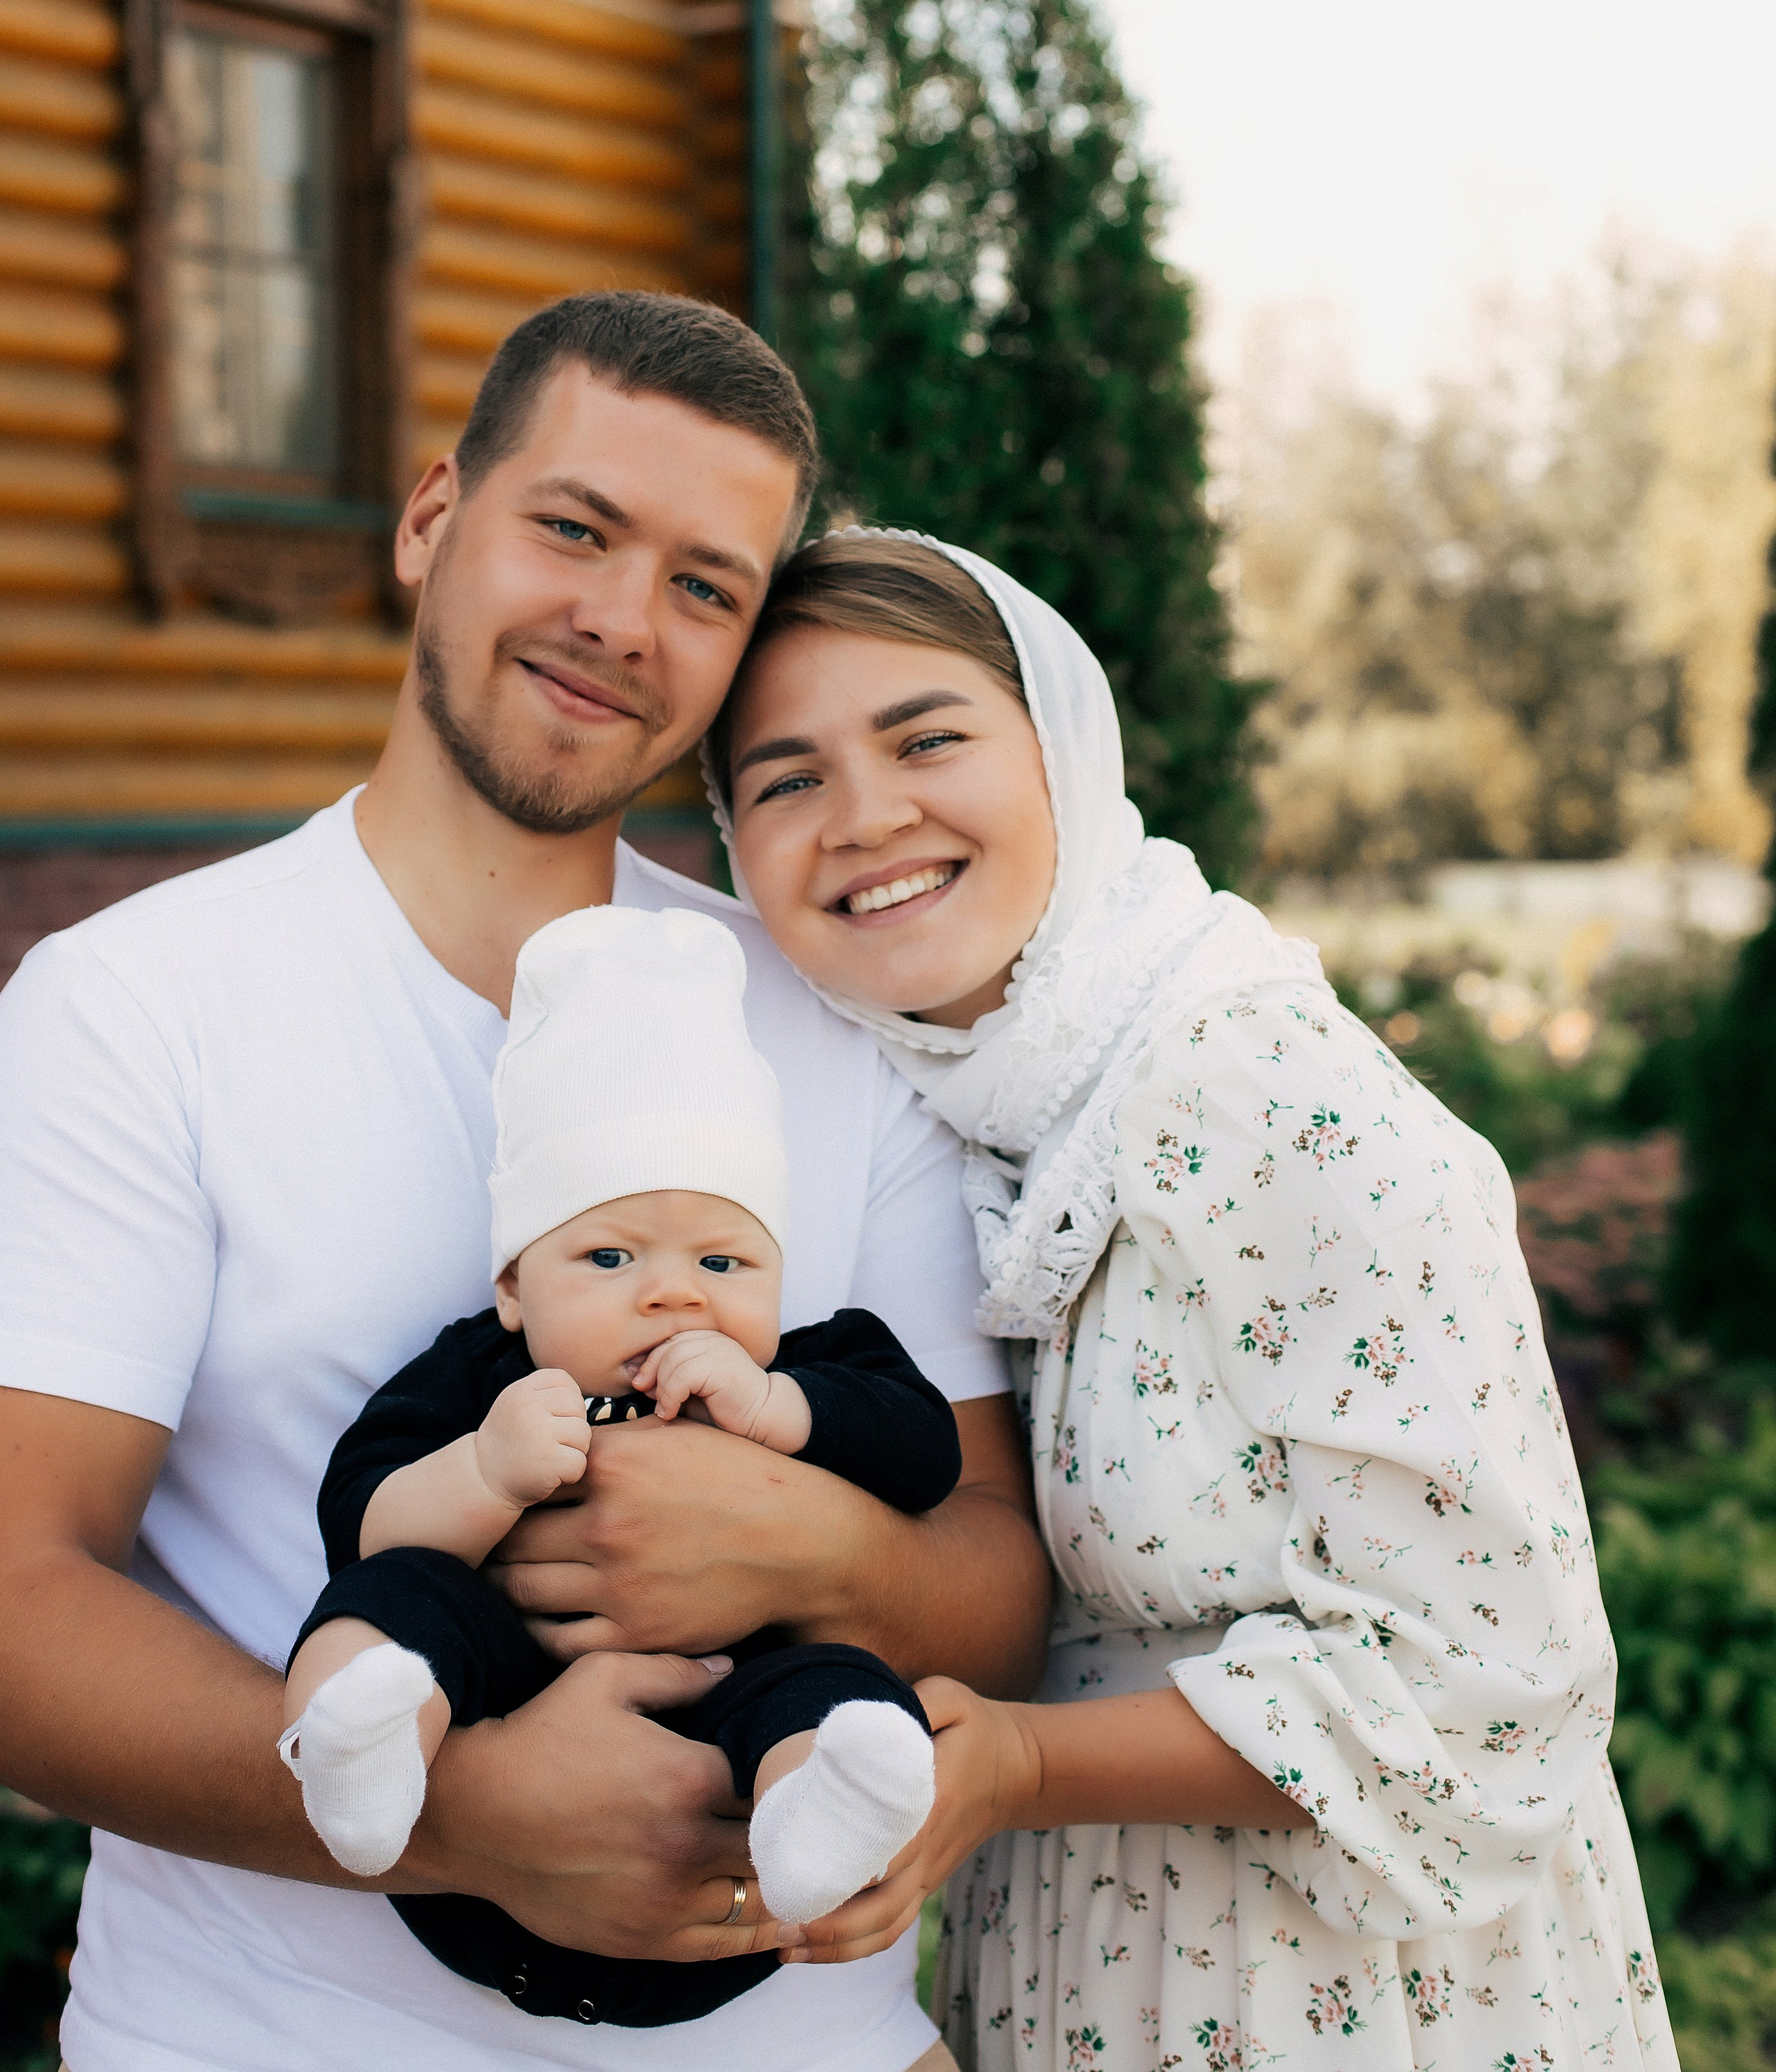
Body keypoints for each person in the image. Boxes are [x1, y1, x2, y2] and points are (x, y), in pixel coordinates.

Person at [0, 299, 1050, 2072]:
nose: (619, 622)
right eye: (572, 529)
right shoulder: (136, 1008)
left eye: (704, 588)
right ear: (431, 523)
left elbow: (994, 1574)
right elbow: (20, 1590)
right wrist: (465, 1812)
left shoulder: (824, 1022)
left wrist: (806, 1540)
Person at [708, 527, 1678, 2072]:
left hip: (1345, 1987)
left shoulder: (1249, 1089)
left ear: (1061, 755)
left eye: (926, 738)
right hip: (1090, 1956)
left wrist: (1020, 1762)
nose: (864, 816)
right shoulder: (946, 1124)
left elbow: (1491, 1674)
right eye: (784, 780)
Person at [282, 902, 950, 2028]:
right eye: (608, 1254)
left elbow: (924, 1456)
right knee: (393, 1600)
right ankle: (360, 1747)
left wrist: (786, 1408)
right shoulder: (482, 1378)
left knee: (842, 1691)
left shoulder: (819, 1366)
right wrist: (485, 1476)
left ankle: (820, 1814)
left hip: (736, 1840)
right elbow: (361, 1519)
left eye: (726, 1258)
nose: (675, 1291)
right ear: (513, 1287)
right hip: (474, 1825)